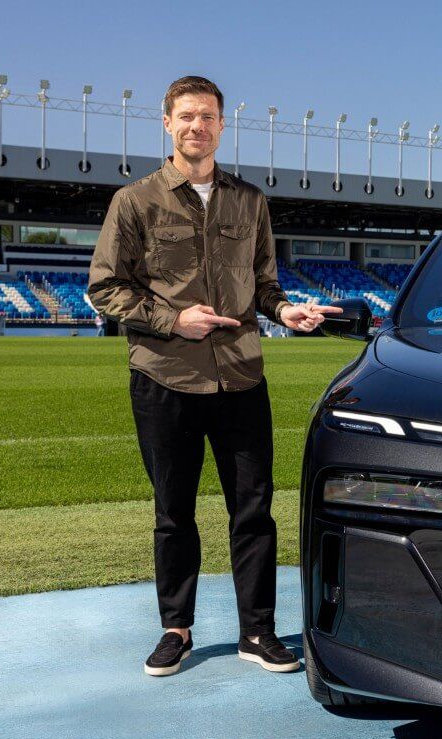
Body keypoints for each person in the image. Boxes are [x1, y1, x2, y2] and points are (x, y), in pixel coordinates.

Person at [88, 75, 341, 677]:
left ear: (222, 126)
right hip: (164, 377)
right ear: (167, 124)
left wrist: (285, 311)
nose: (196, 126)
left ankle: (257, 632)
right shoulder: (135, 201)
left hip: (241, 377)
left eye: (207, 116)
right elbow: (104, 287)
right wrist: (174, 320)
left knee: (253, 511)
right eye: (186, 116)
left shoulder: (250, 201)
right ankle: (176, 629)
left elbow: (265, 283)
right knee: (173, 511)